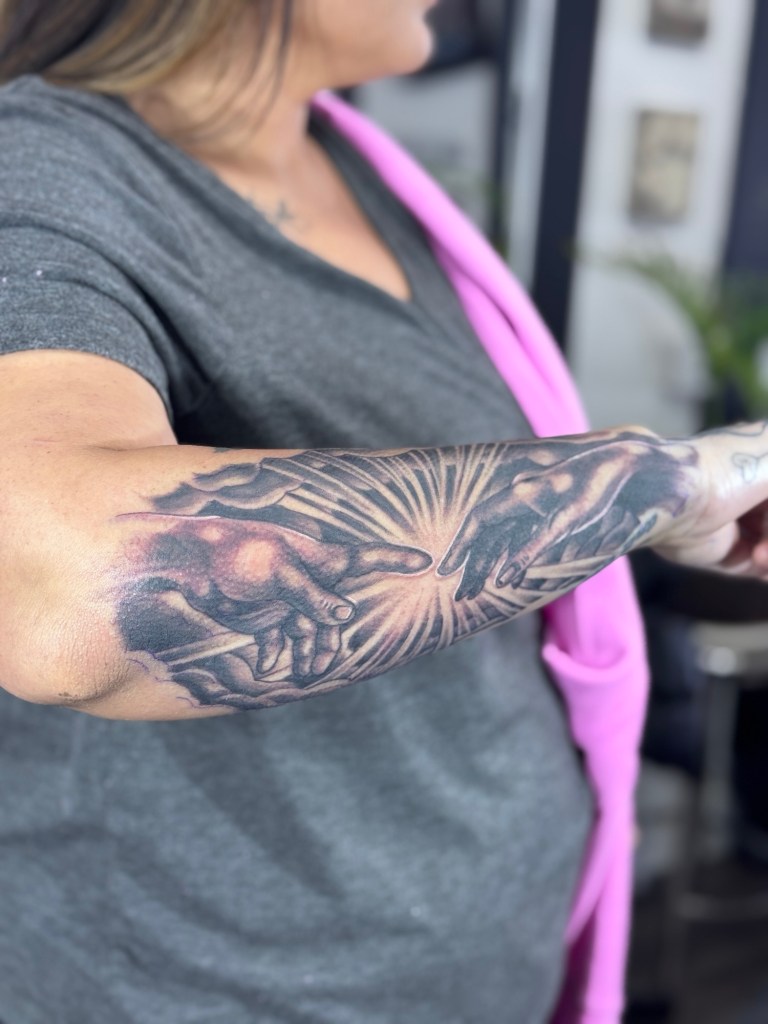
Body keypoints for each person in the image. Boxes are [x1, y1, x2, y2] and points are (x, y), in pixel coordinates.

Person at [0, 2, 766, 1022]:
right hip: (232, 993)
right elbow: (69, 597)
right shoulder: (40, 169)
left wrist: (662, 513)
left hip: (492, 963)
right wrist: (660, 482)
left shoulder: (354, 163)